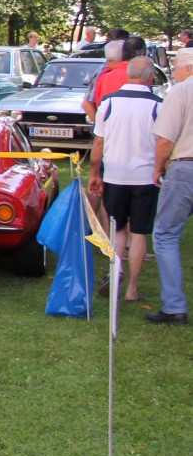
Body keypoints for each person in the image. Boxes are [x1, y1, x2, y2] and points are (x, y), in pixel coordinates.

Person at [89, 56, 161, 303]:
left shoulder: (108, 103)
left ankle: (116, 269)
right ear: (150, 77)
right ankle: (132, 288)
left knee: (117, 228)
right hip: (145, 176)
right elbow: (162, 143)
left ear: (128, 74)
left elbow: (99, 142)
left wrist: (94, 173)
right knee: (139, 233)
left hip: (115, 175)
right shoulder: (157, 105)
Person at [148, 48, 193, 323]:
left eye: (175, 68)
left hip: (185, 167)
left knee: (165, 234)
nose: (172, 74)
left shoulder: (180, 92)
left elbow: (165, 139)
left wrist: (157, 167)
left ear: (188, 68)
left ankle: (174, 305)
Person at [84, 38, 137, 122]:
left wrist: (99, 125)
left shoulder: (101, 75)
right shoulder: (135, 74)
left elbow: (87, 103)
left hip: (106, 124)